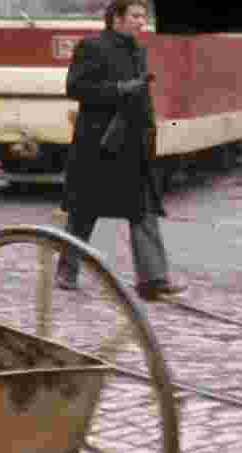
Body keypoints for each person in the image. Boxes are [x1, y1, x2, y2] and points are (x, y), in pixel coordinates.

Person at [56, 0, 184, 301]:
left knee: (143, 210)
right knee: (84, 210)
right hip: (98, 144)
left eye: (144, 16)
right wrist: (117, 90)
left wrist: (150, 129)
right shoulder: (92, 46)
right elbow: (75, 87)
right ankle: (67, 270)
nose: (143, 22)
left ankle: (152, 280)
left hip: (133, 144)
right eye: (137, 16)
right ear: (117, 18)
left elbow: (141, 95)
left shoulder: (138, 50)